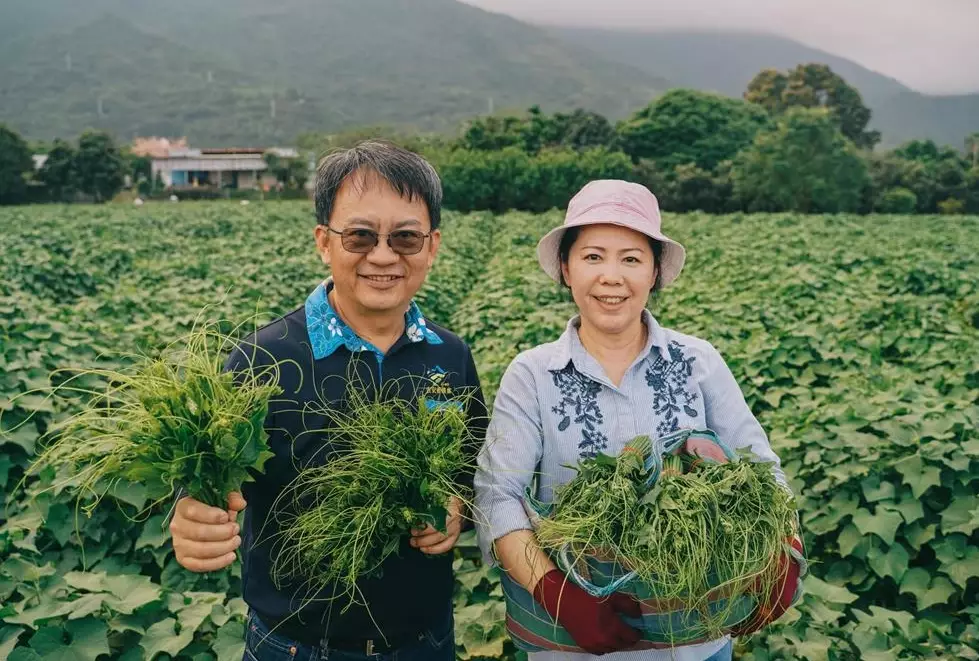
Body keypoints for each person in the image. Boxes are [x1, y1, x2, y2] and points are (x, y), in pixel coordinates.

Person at [167, 140, 487, 661]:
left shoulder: (450, 356)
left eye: (405, 238)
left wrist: (456, 509)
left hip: (424, 641)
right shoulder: (260, 360)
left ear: (432, 246)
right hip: (295, 646)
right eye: (360, 236)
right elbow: (204, 486)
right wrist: (191, 516)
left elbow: (470, 467)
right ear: (324, 241)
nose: (383, 256)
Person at [474, 180, 801, 660]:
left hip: (696, 641)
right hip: (573, 648)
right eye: (592, 257)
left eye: (631, 258)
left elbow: (762, 469)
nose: (612, 277)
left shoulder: (698, 361)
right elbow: (498, 496)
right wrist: (559, 597)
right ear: (566, 269)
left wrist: (783, 554)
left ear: (654, 273)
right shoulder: (533, 374)